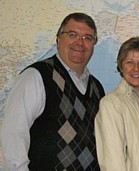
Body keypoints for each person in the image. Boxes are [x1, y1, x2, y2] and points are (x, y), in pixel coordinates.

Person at [1, 12, 105, 170]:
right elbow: (14, 134)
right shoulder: (36, 76)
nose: (80, 43)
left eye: (87, 38)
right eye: (72, 34)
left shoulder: (97, 88)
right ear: (58, 40)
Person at [95, 36, 139, 171]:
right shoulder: (111, 104)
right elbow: (112, 161)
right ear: (121, 66)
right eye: (129, 62)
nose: (136, 68)